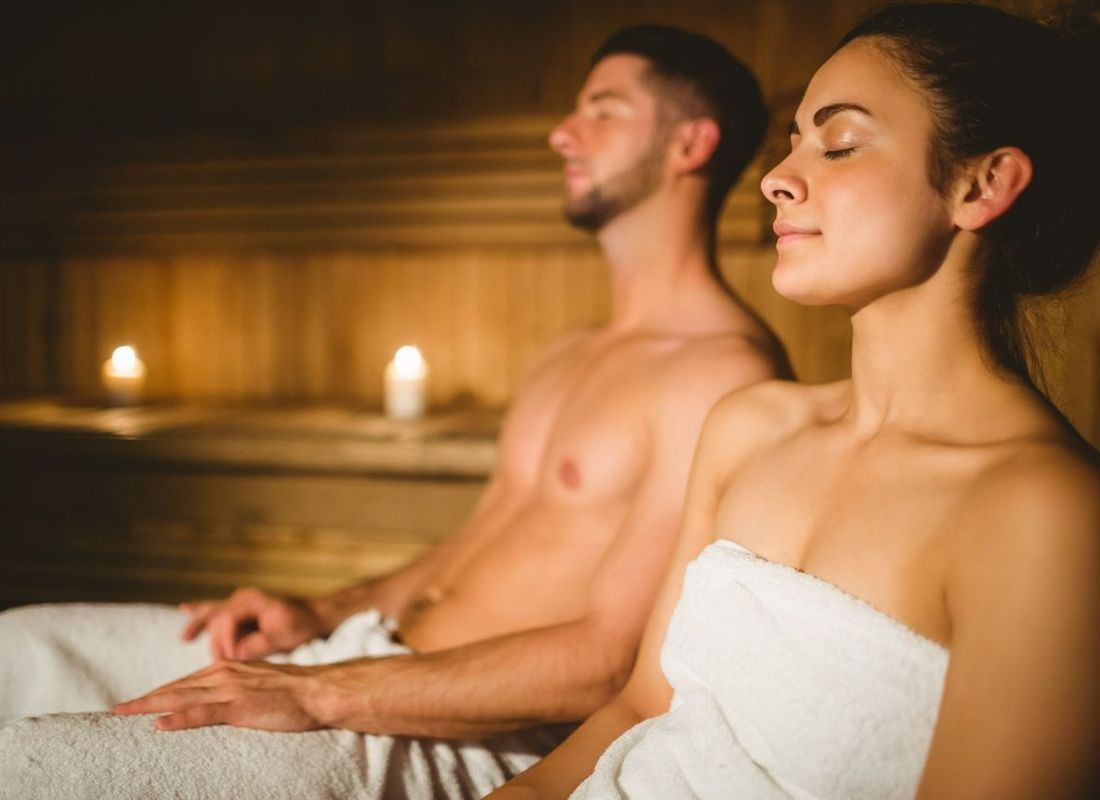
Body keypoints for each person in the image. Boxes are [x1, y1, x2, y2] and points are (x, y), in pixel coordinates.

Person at [0, 25, 789, 799]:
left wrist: (320, 694)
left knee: (26, 768)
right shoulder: (568, 355)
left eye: (604, 109)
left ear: (691, 144)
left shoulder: (723, 376)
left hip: (461, 733)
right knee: (17, 646)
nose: (561, 134)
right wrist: (319, 611)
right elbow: (473, 548)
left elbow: (612, 661)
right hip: (364, 660)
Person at [492, 4, 1100, 798]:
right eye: (793, 144)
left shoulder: (1041, 514)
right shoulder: (749, 429)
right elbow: (642, 704)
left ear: (982, 184)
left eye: (840, 144)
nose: (779, 179)